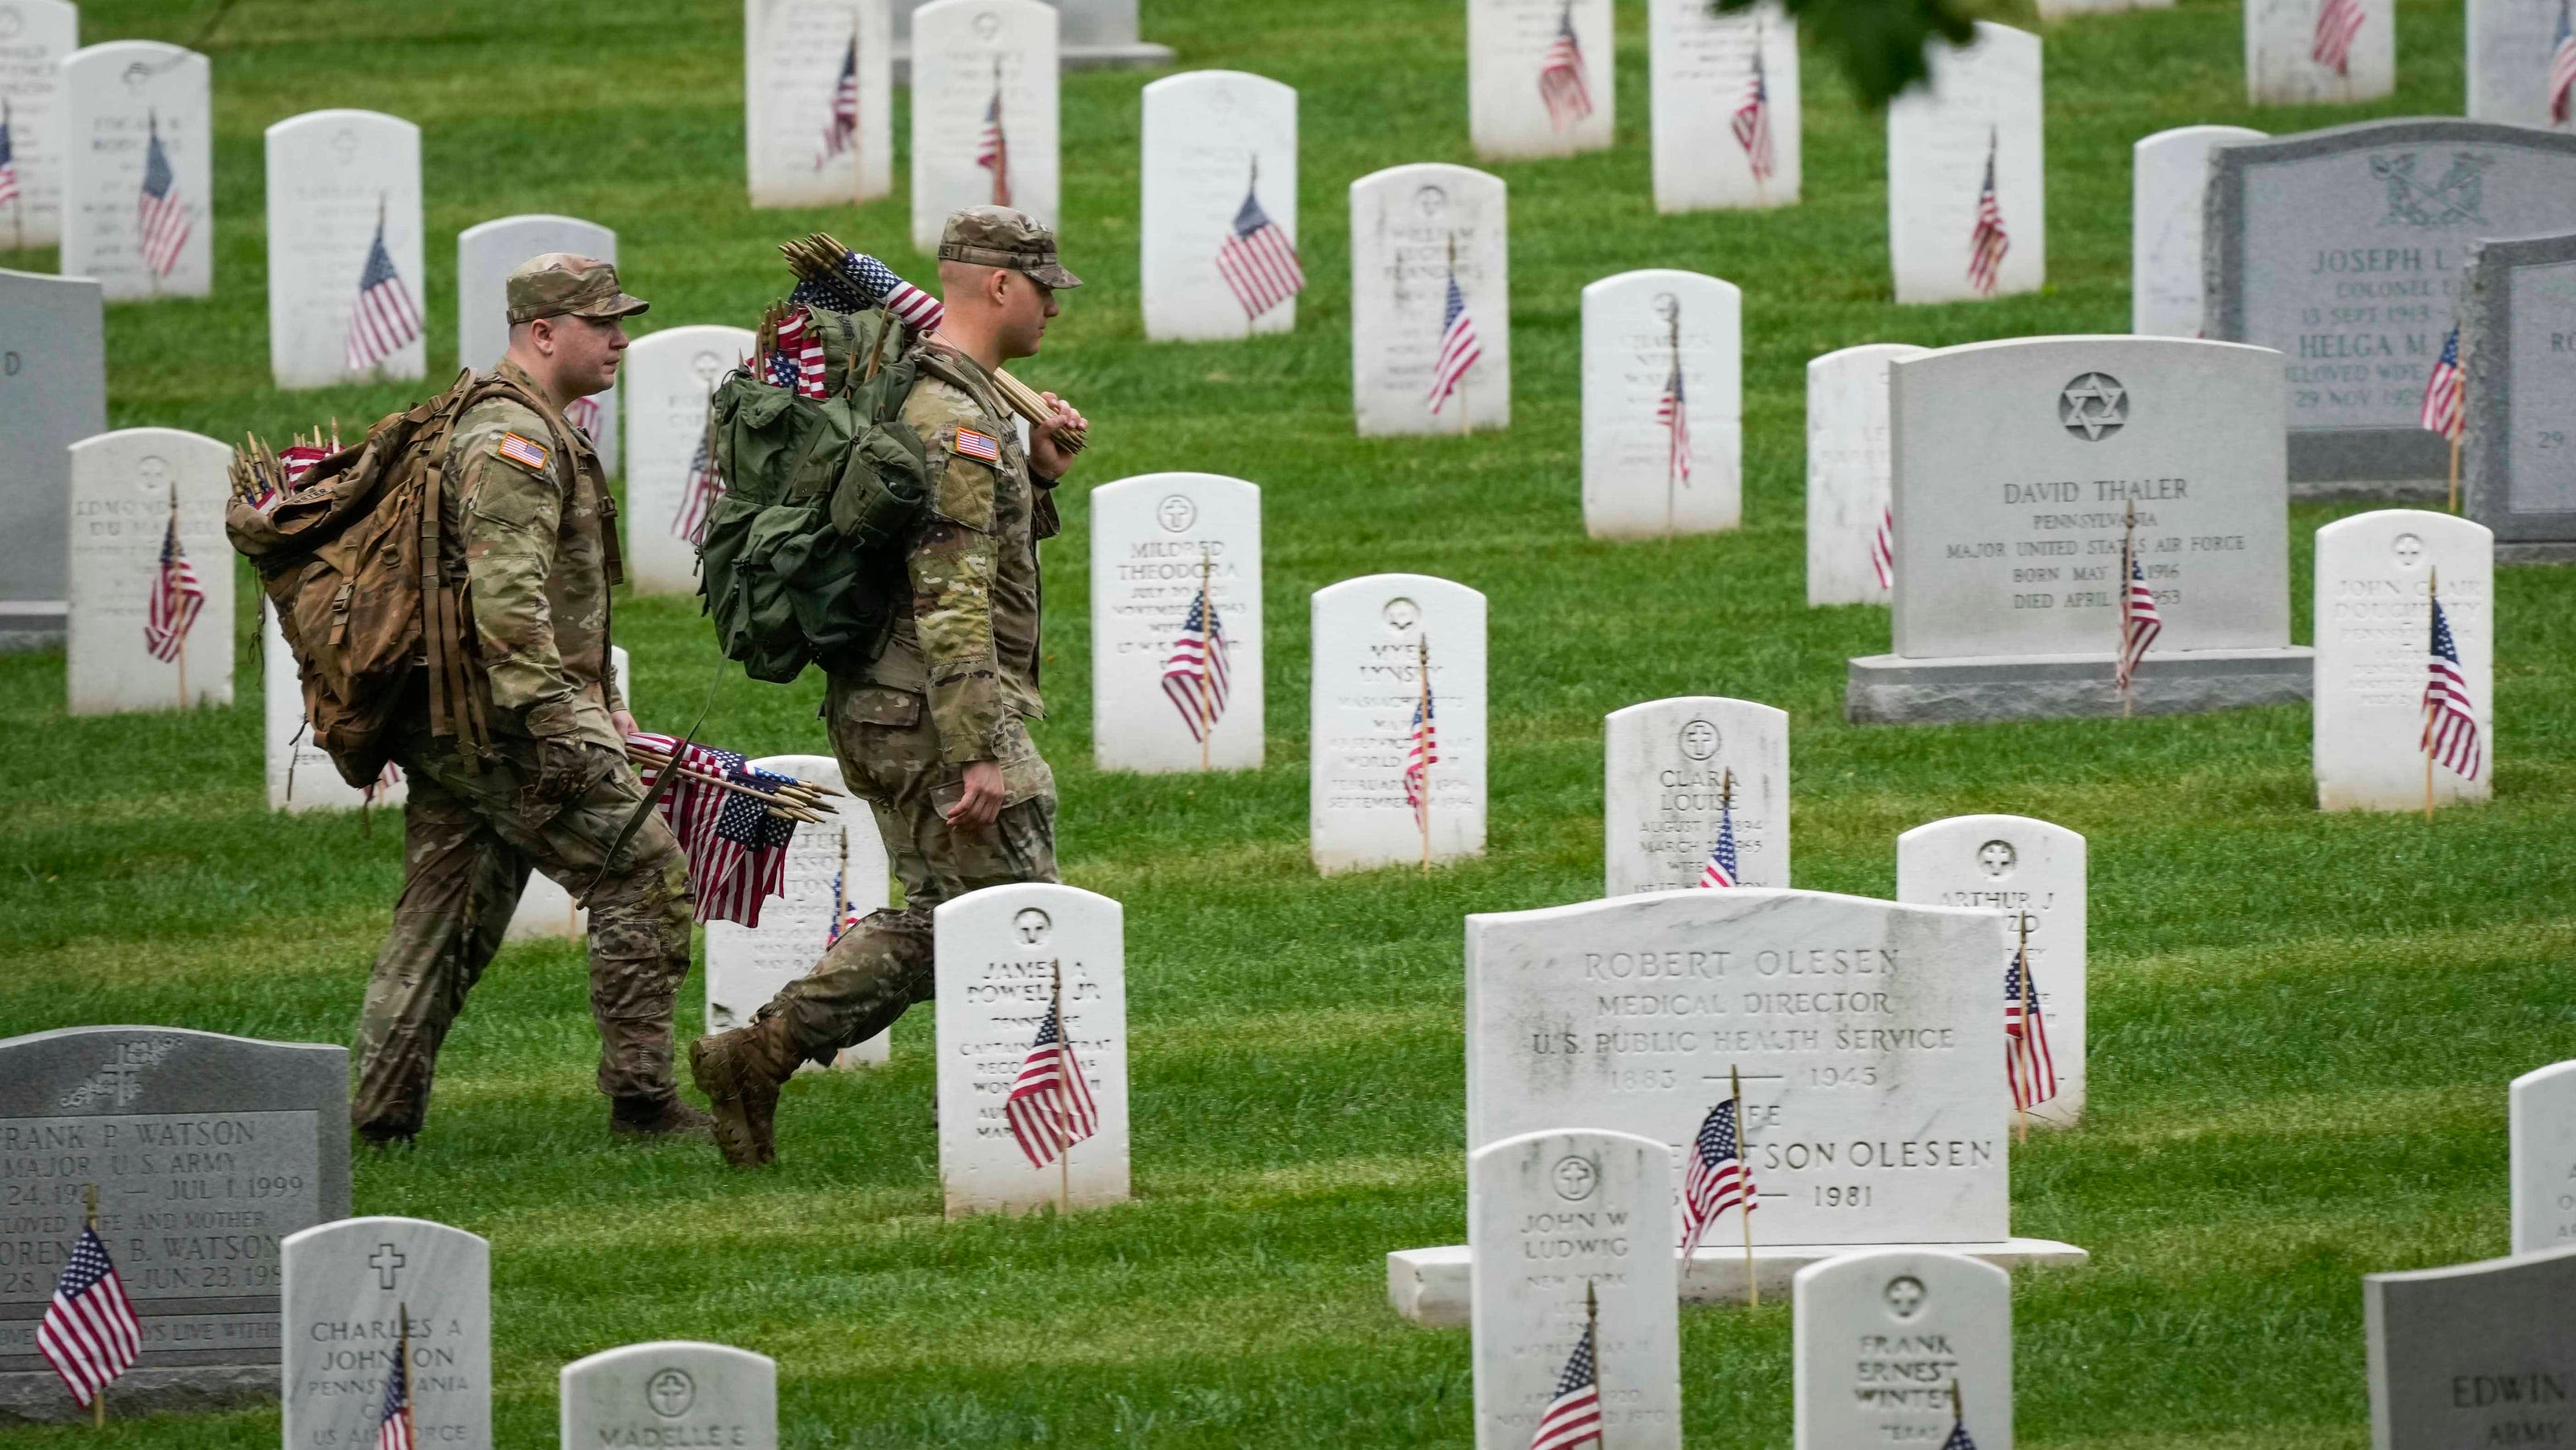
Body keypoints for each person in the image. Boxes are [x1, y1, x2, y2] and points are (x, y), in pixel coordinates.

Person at [691, 209, 1088, 1167]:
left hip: (896, 699)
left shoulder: (965, 401)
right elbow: (950, 592)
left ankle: (759, 1054)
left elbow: (979, 548)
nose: (1052, 310)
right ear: (997, 287)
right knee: (1012, 908)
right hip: (926, 708)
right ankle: (990, 1114)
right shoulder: (950, 415)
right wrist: (980, 751)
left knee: (949, 913)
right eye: (1043, 289)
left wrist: (1037, 474)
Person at [352, 254, 708, 1146]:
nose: (622, 338)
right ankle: (642, 1103)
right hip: (507, 720)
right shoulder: (514, 441)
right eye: (603, 323)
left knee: (446, 915)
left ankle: (378, 1117)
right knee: (644, 870)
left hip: (460, 717)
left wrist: (602, 696)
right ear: (542, 333)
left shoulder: (518, 422)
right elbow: (507, 607)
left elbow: (554, 599)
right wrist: (564, 725)